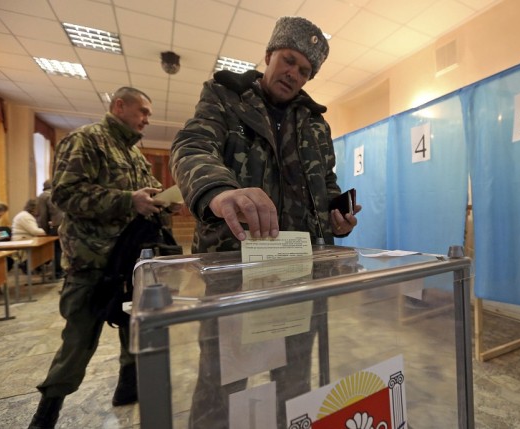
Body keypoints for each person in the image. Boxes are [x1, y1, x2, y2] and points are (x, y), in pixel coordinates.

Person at [170, 16, 362, 428]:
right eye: (288, 61)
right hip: (233, 269)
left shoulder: (315, 123)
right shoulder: (225, 96)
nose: (293, 73)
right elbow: (192, 146)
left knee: (293, 381)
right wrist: (220, 191)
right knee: (222, 385)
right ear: (268, 56)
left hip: (298, 271)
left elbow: (325, 182)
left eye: (304, 70)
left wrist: (336, 214)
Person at [28, 87, 170, 429]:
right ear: (119, 106)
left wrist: (165, 199)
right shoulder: (86, 140)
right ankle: (46, 413)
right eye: (143, 111)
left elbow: (146, 193)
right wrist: (127, 200)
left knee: (132, 329)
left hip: (128, 262)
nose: (147, 119)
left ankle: (126, 388)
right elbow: (65, 193)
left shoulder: (133, 155)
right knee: (78, 340)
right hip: (91, 262)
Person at [36, 179, 64, 278]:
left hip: (57, 226)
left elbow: (43, 216)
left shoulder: (43, 196)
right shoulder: (62, 193)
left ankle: (57, 272)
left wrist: (46, 231)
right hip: (69, 224)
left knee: (56, 249)